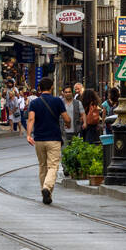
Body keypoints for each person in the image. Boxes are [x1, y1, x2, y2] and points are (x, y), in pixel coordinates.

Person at [27, 76, 70, 205]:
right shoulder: (57, 101)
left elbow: (31, 119)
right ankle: (46, 188)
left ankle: (46, 193)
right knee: (53, 166)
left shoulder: (34, 103)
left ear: (39, 88)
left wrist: (29, 135)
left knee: (42, 166)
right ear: (52, 87)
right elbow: (66, 118)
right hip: (54, 139)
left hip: (39, 139)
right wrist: (68, 123)